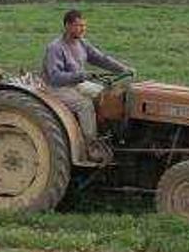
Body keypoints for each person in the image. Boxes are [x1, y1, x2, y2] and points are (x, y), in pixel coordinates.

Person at [42, 10, 133, 158]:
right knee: (84, 104)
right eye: (78, 26)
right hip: (57, 88)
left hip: (77, 83)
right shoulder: (55, 48)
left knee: (106, 96)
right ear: (67, 26)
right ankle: (91, 147)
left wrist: (123, 69)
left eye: (84, 26)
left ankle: (108, 135)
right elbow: (55, 77)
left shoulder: (82, 43)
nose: (83, 29)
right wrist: (81, 75)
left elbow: (101, 59)